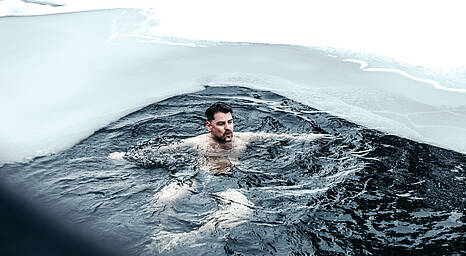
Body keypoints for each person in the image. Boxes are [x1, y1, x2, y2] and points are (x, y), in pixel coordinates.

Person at [109, 101, 328, 174]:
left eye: (230, 122)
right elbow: (164, 149)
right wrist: (124, 156)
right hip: (201, 174)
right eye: (221, 124)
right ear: (209, 125)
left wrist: (314, 138)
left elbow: (280, 137)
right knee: (170, 197)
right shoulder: (198, 143)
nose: (228, 128)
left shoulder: (244, 138)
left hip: (233, 176)